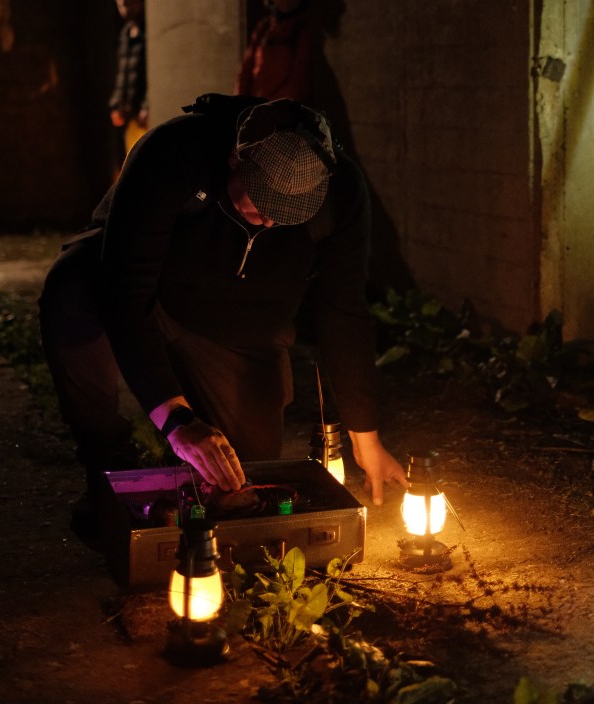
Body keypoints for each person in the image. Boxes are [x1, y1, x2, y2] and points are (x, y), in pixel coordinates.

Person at [39, 93, 407, 515]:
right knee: (72, 287)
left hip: (238, 329)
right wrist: (177, 419)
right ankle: (109, 466)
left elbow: (344, 311)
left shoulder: (342, 192)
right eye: (262, 200)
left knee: (245, 476)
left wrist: (367, 437)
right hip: (151, 288)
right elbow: (126, 291)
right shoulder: (173, 153)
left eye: (288, 211)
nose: (271, 220)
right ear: (235, 158)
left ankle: (188, 464)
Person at [235, 0, 313, 103]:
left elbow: (299, 82)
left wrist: (269, 113)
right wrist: (238, 107)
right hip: (254, 114)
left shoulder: (304, 28)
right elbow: (245, 73)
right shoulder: (263, 28)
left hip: (279, 117)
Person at [108, 0, 148, 177]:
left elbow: (150, 69)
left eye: (131, 3)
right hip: (129, 111)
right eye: (122, 4)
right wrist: (117, 104)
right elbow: (122, 72)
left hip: (143, 112)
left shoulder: (149, 31)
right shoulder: (125, 34)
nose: (126, 9)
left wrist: (147, 105)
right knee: (131, 161)